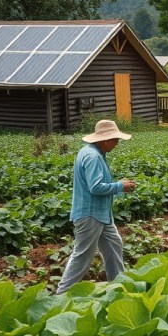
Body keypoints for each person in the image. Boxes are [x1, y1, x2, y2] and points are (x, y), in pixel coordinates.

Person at [56, 120, 137, 294]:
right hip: (90, 214)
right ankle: (61, 295)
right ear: (106, 140)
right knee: (83, 255)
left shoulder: (93, 153)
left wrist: (119, 186)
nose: (116, 144)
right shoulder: (92, 156)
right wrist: (120, 186)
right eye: (115, 140)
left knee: (114, 245)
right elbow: (96, 187)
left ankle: (118, 287)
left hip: (102, 215)